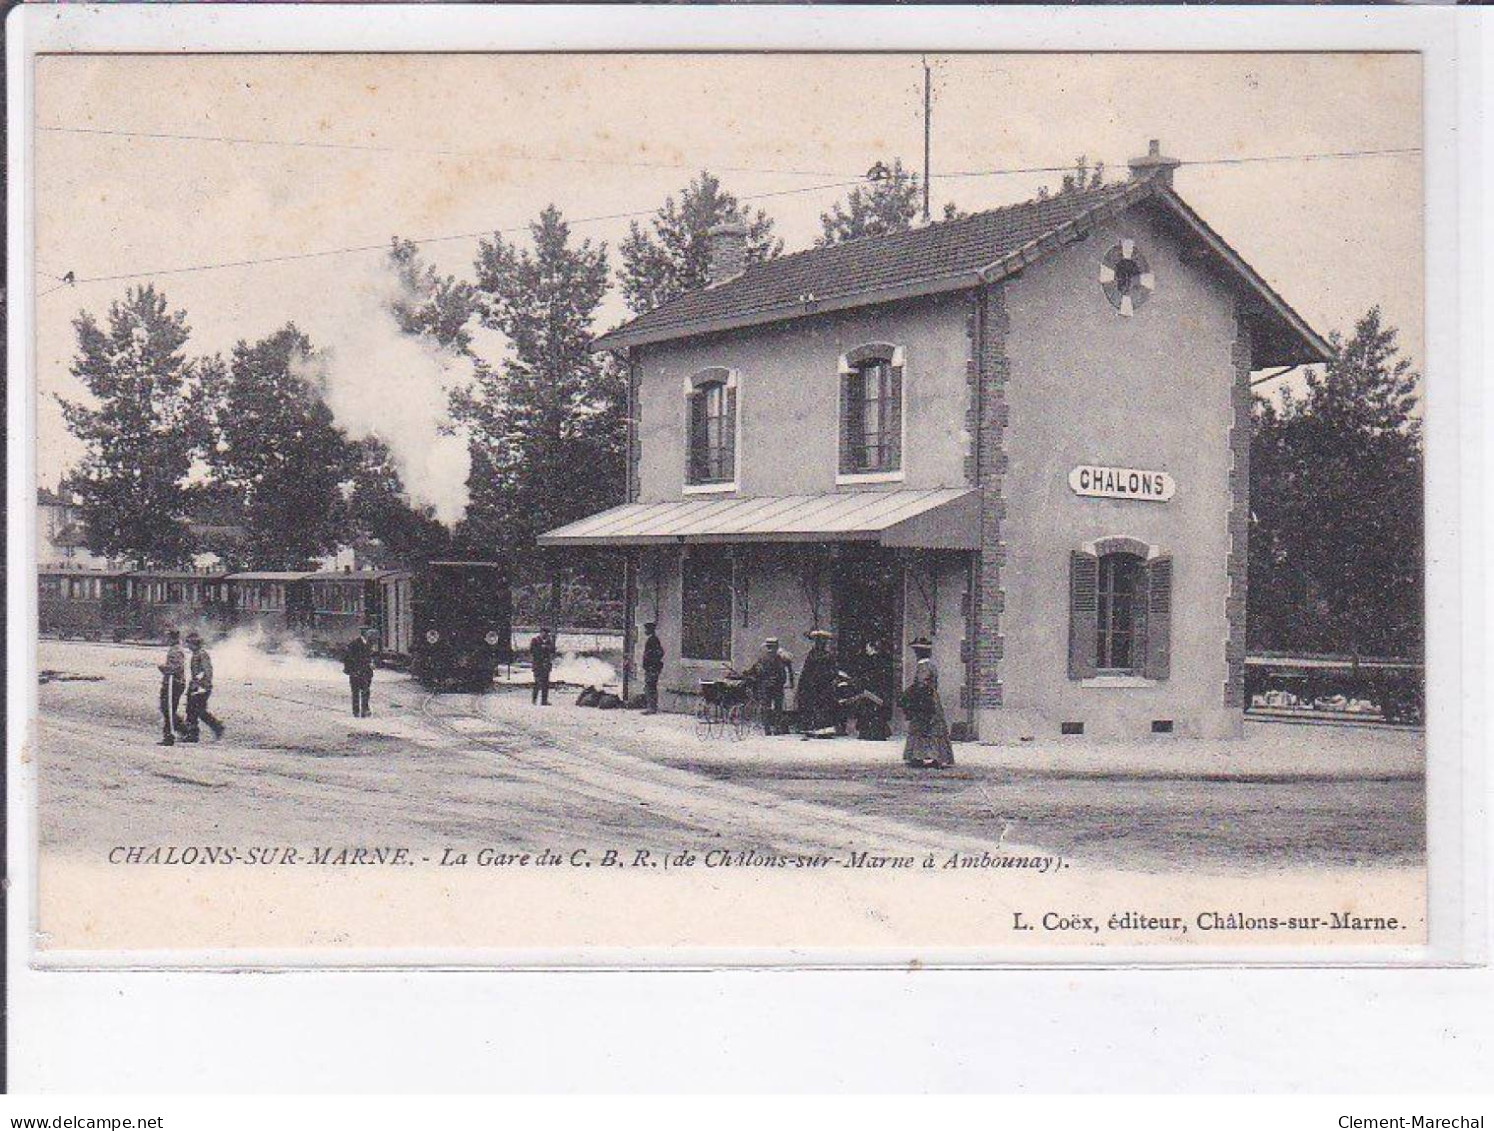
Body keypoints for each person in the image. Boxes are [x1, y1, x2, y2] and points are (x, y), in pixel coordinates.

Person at [901, 637, 954, 768]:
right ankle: (938, 756)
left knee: (921, 727)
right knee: (935, 728)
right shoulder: (931, 665)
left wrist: (909, 694)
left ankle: (918, 756)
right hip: (932, 699)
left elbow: (922, 683)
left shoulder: (923, 666)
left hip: (924, 699)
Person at [743, 637, 794, 735]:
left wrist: (747, 674)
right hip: (776, 686)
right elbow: (788, 670)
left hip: (767, 686)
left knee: (767, 707)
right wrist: (790, 682)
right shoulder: (781, 658)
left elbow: (754, 670)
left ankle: (768, 729)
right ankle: (776, 728)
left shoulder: (763, 658)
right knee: (777, 707)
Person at [182, 631, 225, 742]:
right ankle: (196, 732)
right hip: (198, 686)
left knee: (195, 710)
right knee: (194, 710)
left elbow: (207, 671)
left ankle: (212, 728)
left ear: (194, 644)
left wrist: (199, 684)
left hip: (201, 688)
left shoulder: (201, 654)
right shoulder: (198, 654)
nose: (188, 646)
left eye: (189, 644)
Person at [796, 629, 839, 736]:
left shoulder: (823, 655)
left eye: (823, 641)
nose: (821, 644)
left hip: (821, 685)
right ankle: (816, 728)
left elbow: (832, 670)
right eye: (819, 641)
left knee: (822, 706)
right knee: (818, 706)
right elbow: (807, 672)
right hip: (815, 685)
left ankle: (821, 728)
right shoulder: (815, 655)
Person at [849, 639, 894, 741]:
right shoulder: (882, 660)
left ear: (873, 648)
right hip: (878, 689)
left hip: (872, 689)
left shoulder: (871, 660)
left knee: (869, 712)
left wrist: (862, 681)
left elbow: (870, 675)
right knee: (875, 713)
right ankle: (876, 733)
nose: (866, 650)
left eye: (867, 647)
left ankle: (869, 733)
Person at [157, 629, 187, 746]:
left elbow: (176, 668)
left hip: (173, 683)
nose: (166, 640)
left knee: (168, 709)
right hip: (173, 683)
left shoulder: (176, 651)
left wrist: (164, 668)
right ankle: (181, 729)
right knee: (167, 709)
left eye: (168, 637)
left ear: (172, 638)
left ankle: (170, 735)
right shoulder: (175, 649)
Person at [343, 626, 375, 717]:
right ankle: (356, 711)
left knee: (366, 691)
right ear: (364, 634)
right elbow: (347, 658)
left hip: (366, 672)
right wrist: (351, 670)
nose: (370, 635)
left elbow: (372, 657)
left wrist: (372, 663)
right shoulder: (354, 644)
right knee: (356, 692)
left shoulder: (370, 644)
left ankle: (364, 709)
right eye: (368, 633)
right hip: (355, 673)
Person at [641, 621, 664, 714]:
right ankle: (652, 707)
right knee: (651, 687)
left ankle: (651, 708)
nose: (645, 631)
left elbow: (659, 653)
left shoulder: (652, 640)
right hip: (652, 667)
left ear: (650, 630)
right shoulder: (653, 639)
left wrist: (651, 663)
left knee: (650, 687)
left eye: (646, 629)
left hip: (652, 668)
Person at [529, 626, 556, 706]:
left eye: (547, 633)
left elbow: (553, 651)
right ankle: (534, 699)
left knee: (546, 683)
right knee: (537, 682)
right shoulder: (535, 640)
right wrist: (542, 649)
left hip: (546, 665)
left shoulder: (549, 641)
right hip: (538, 664)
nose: (546, 634)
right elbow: (533, 651)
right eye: (544, 632)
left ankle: (544, 700)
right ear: (541, 632)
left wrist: (549, 647)